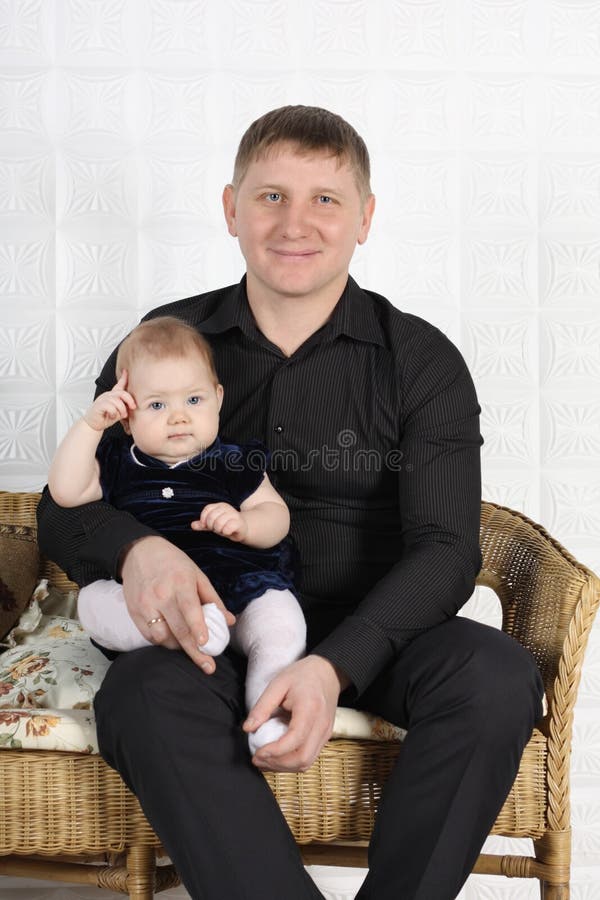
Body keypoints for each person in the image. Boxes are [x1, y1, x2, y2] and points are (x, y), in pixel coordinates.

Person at [37, 105, 544, 900]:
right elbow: (66, 508)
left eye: (326, 200)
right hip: (212, 630)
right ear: (231, 207)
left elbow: (448, 548)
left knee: (497, 674)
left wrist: (331, 666)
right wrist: (141, 551)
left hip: (377, 632)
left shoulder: (422, 361)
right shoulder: (163, 344)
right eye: (271, 196)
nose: (295, 223)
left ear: (365, 218)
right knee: (138, 697)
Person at [47, 316, 306, 754]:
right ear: (127, 419)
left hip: (238, 590)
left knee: (283, 623)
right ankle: (177, 630)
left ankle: (266, 714)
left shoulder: (233, 461)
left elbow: (276, 516)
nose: (179, 416)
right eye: (157, 406)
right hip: (148, 600)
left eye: (193, 399)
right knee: (91, 603)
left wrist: (246, 525)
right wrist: (91, 426)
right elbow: (65, 492)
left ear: (218, 399)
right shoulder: (117, 463)